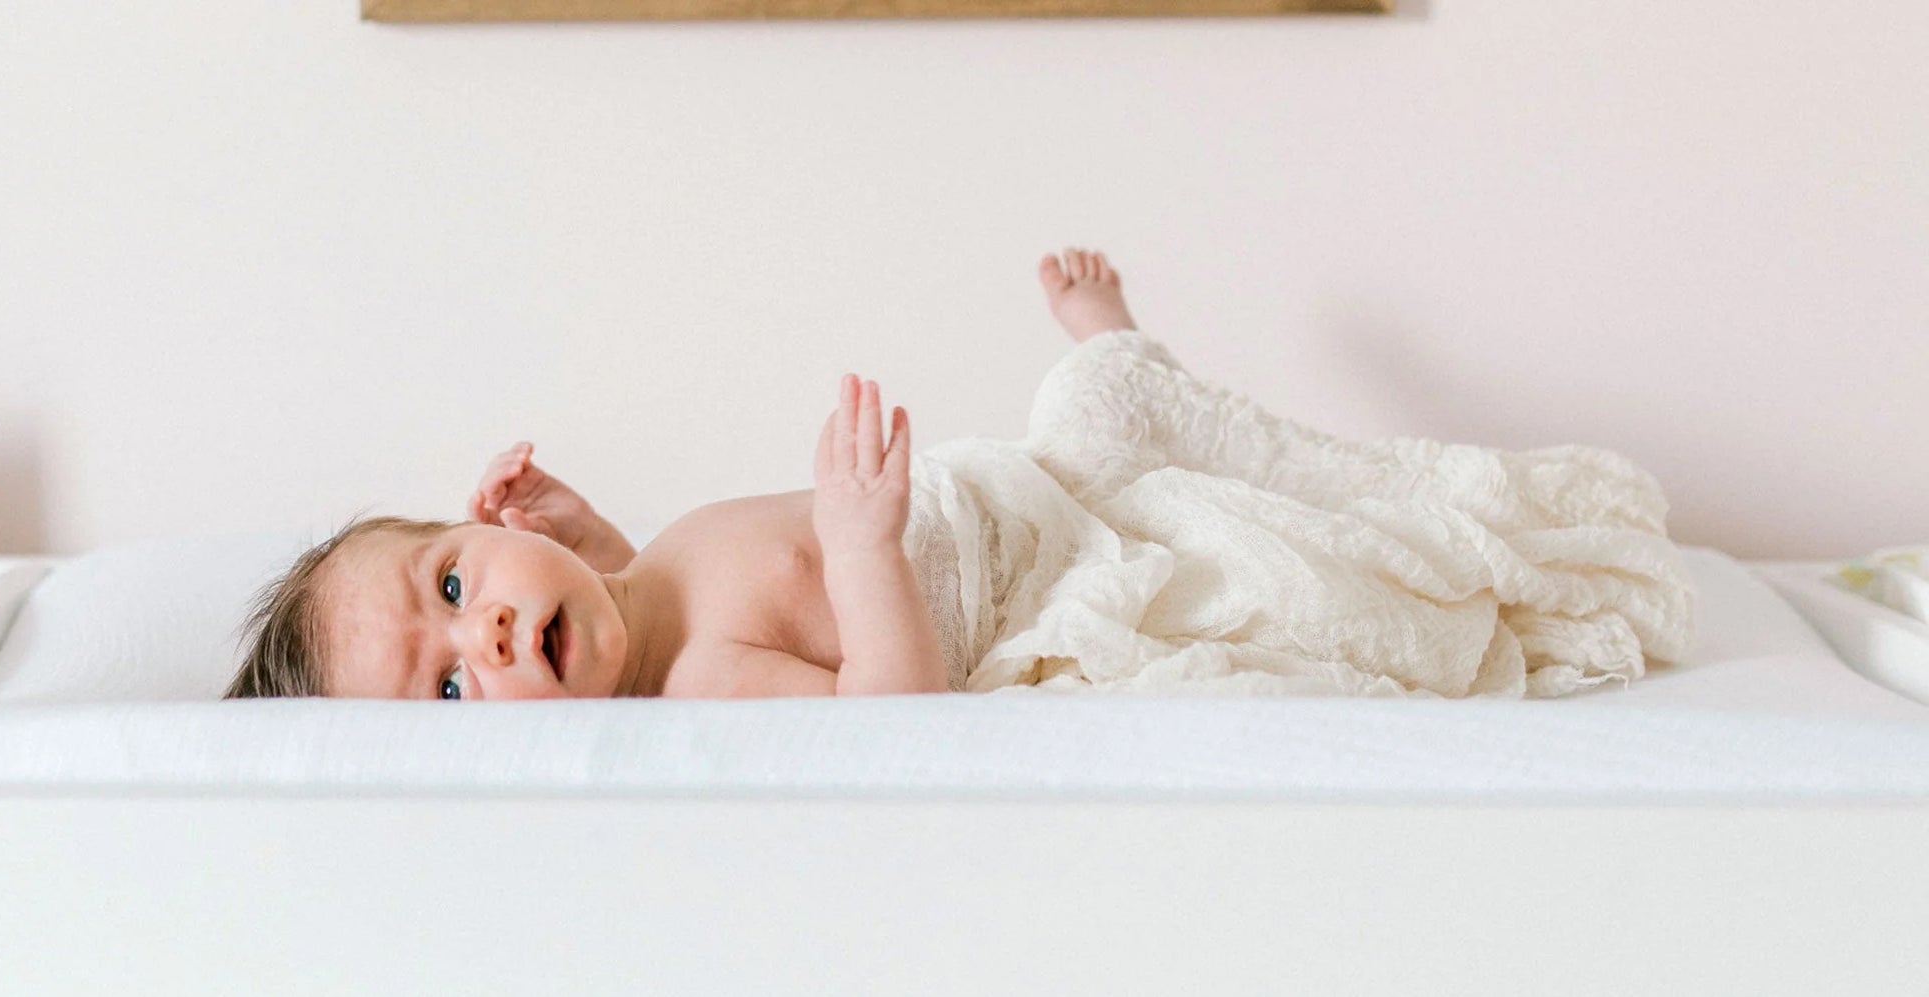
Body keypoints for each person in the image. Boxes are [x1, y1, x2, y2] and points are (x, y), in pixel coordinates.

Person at [227, 250, 1690, 702]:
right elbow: (889, 718)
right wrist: (864, 549)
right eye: (446, 684)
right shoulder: (699, 692)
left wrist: (585, 528)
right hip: (1026, 580)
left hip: (1012, 489)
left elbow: (650, 577)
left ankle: (1123, 352)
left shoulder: (631, 584)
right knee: (1269, 569)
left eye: (451, 581)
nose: (482, 629)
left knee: (1094, 402)